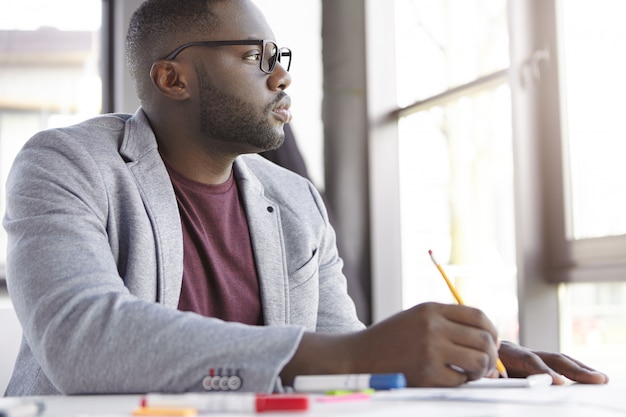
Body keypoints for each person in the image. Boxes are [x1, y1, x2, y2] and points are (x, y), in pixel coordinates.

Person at [3, 0, 607, 396]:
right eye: (253, 57)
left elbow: (344, 355)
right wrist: (360, 351)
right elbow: (82, 341)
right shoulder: (65, 164)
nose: (282, 77)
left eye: (280, 58)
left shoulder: (297, 202)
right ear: (173, 78)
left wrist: (468, 362)